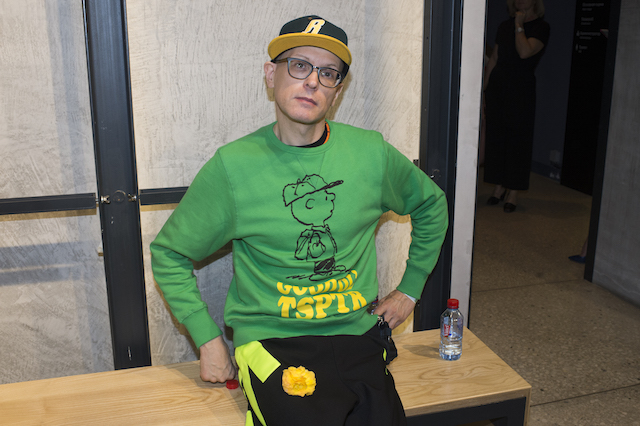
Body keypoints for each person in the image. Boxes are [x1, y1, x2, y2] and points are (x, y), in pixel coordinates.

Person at [150, 15, 448, 426]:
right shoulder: (233, 168)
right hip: (273, 342)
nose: (312, 81)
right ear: (271, 75)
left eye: (328, 73)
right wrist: (207, 339)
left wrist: (409, 291)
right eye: (299, 65)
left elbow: (432, 205)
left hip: (357, 335)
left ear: (337, 91)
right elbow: (169, 254)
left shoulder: (370, 154)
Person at [483, 0, 550, 212]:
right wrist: (483, 89)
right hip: (498, 88)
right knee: (497, 137)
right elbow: (494, 58)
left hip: (521, 90)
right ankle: (498, 186)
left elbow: (524, 52)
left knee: (517, 140)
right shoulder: (504, 25)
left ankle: (513, 191)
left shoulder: (541, 27)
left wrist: (519, 25)